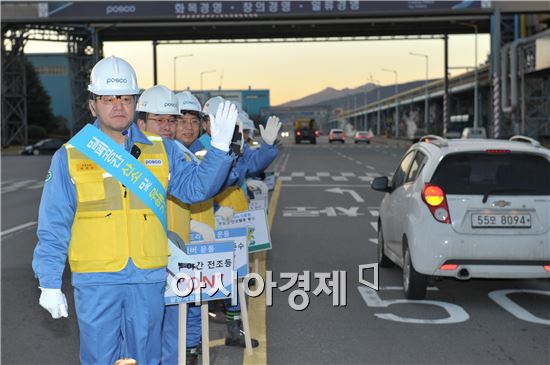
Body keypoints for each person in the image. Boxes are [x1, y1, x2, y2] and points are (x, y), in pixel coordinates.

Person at [32, 56, 238, 365]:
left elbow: (196, 188)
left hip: (147, 276)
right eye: (108, 99)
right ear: (93, 105)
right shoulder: (70, 156)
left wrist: (220, 150)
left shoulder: (162, 149)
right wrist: (48, 281)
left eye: (126, 98)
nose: (118, 106)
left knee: (145, 358)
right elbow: (54, 224)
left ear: (135, 102)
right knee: (100, 359)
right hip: (96, 279)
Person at [190, 96, 281, 348]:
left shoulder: (232, 144)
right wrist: (217, 210)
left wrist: (268, 146)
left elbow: (249, 165)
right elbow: (202, 186)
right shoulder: (200, 147)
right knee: (205, 286)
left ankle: (234, 329)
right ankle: (192, 345)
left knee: (235, 280)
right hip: (210, 223)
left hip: (233, 222)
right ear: (207, 123)